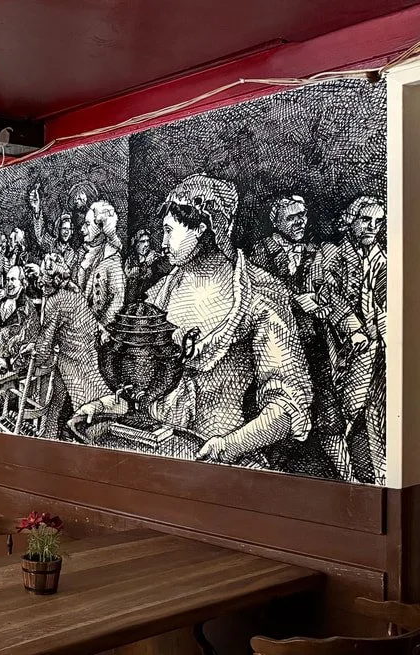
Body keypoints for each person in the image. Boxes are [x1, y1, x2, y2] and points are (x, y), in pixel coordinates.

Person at [71, 174, 312, 467]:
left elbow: (286, 407)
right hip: (157, 450)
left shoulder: (259, 294)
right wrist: (100, 407)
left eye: (169, 231)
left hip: (221, 461)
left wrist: (229, 445)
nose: (162, 243)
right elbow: (145, 388)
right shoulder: (162, 291)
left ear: (200, 228)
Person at [250, 194, 340, 479]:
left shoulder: (316, 251)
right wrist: (295, 299)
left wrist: (323, 300)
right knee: (278, 411)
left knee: (326, 411)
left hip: (313, 344)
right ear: (276, 221)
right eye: (292, 217)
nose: (300, 222)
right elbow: (257, 292)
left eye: (302, 215)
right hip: (278, 347)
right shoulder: (261, 251)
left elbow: (327, 288)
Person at [310, 195, 387, 483]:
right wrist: (352, 328)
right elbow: (326, 293)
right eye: (366, 220)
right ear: (349, 220)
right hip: (334, 345)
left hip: (373, 347)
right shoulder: (331, 252)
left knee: (370, 411)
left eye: (378, 222)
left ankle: (374, 478)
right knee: (337, 416)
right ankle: (348, 480)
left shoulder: (381, 258)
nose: (373, 227)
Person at [19, 258, 107, 438]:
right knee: (59, 401)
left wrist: (23, 361)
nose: (40, 282)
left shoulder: (55, 302)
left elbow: (44, 347)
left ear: (53, 280)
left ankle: (57, 437)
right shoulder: (73, 291)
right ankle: (50, 436)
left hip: (75, 360)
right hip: (88, 353)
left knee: (86, 410)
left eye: (44, 278)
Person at [76, 200, 126, 328]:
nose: (82, 229)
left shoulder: (112, 259)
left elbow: (117, 301)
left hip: (101, 331)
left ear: (101, 227)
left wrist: (100, 326)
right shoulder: (86, 255)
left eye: (88, 224)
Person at [0, 265, 35, 372]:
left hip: (13, 365)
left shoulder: (27, 306)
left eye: (13, 279)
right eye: (7, 280)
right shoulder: (1, 303)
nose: (9, 283)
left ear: (21, 282)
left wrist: (6, 354)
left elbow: (28, 338)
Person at [123, 228, 162, 305]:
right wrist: (145, 264)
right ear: (136, 243)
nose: (146, 244)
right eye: (142, 241)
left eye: (148, 241)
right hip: (131, 301)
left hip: (149, 300)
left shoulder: (155, 257)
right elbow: (128, 275)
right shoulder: (130, 259)